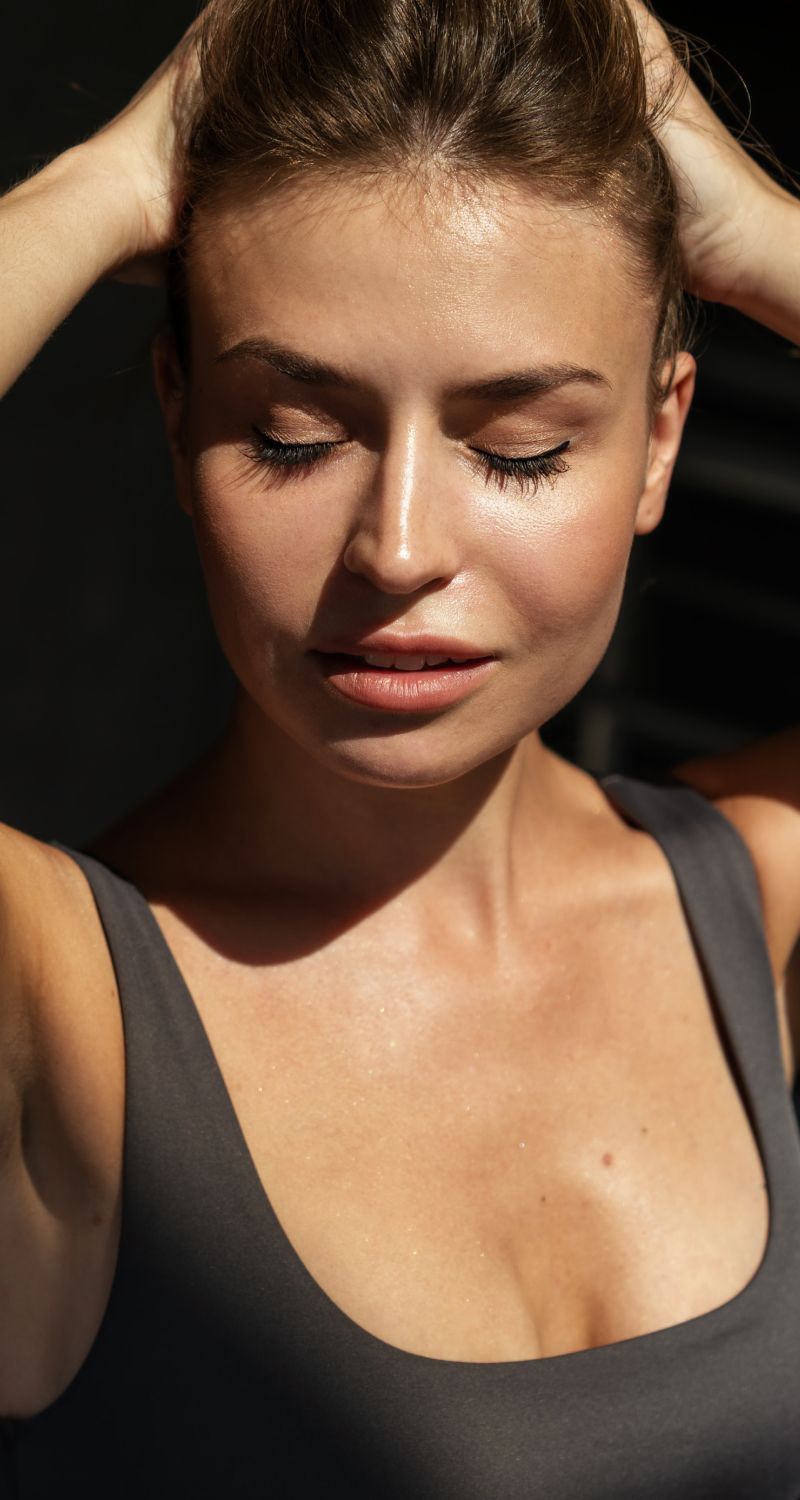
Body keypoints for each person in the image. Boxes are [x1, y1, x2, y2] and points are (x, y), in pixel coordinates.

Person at [0, 0, 798, 1494]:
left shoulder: (753, 903)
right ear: (177, 421)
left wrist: (760, 230)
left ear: (663, 439)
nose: (400, 546)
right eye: (294, 433)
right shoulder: (61, 1015)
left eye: (522, 448)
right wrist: (99, 185)